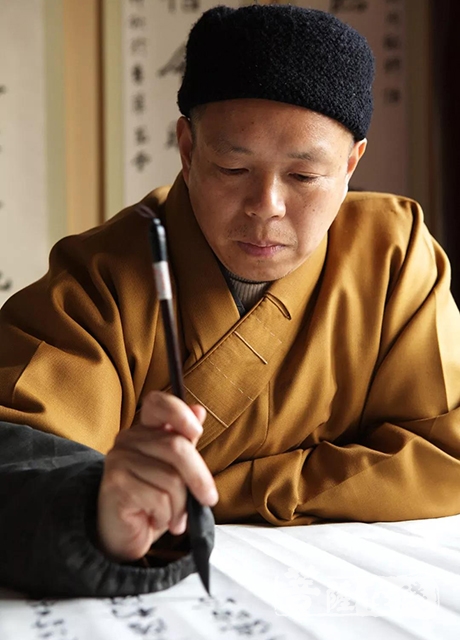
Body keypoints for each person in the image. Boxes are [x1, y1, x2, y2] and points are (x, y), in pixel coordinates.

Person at [1, 3, 460, 598]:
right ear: (188, 150)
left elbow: (445, 452)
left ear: (351, 165)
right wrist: (100, 505)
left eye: (304, 177)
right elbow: (18, 460)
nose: (266, 204)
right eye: (232, 165)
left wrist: (229, 487)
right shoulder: (99, 281)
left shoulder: (395, 255)